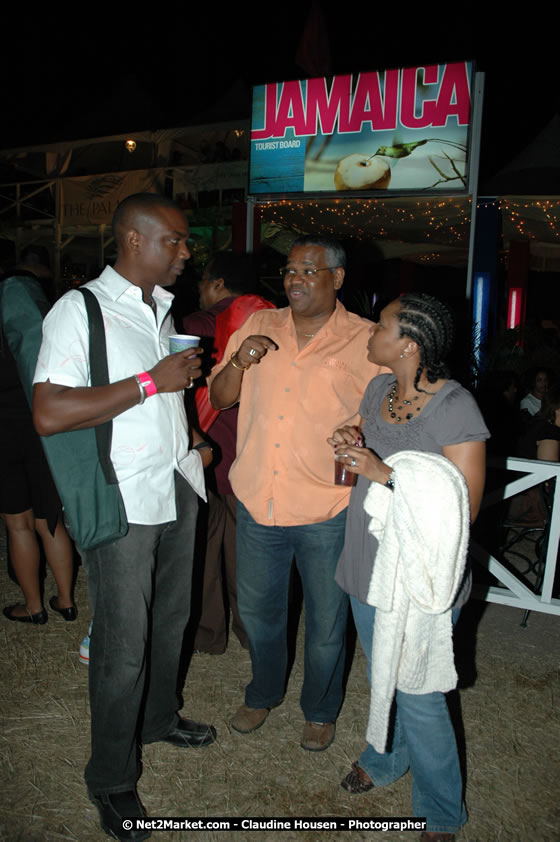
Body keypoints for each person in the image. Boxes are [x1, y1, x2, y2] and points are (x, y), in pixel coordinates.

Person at [32, 193, 216, 842]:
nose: (187, 252)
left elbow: (160, 400)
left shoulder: (159, 308)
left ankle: (159, 719)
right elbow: (49, 411)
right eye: (176, 239)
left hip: (177, 482)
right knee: (122, 644)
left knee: (171, 620)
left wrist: (190, 434)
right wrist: (151, 382)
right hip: (125, 497)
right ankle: (111, 779)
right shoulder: (79, 309)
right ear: (134, 240)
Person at [209, 234, 383, 752]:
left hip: (326, 506)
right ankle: (263, 693)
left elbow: (384, 416)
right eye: (289, 270)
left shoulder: (366, 339)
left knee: (327, 621)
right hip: (258, 498)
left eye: (309, 270)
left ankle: (321, 710)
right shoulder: (258, 325)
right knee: (259, 613)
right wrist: (239, 361)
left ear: (338, 277)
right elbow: (219, 396)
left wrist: (360, 433)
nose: (295, 279)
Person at [329, 293, 488, 842]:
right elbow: (363, 435)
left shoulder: (455, 407)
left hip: (420, 573)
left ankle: (440, 810)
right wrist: (349, 438)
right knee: (382, 672)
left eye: (381, 326)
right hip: (368, 556)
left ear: (409, 344)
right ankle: (386, 758)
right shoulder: (379, 390)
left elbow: (464, 508)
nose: (370, 333)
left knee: (419, 692)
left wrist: (384, 474)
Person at [183, 251, 274, 654]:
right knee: (249, 555)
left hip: (205, 452)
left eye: (203, 281)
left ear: (216, 282)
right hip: (253, 456)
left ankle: (208, 633)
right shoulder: (273, 324)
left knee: (203, 551)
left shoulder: (195, 326)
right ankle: (252, 631)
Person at [1, 252, 75, 624]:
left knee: (18, 524)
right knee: (50, 520)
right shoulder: (48, 322)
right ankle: (66, 600)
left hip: (3, 433)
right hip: (43, 427)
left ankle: (33, 607)